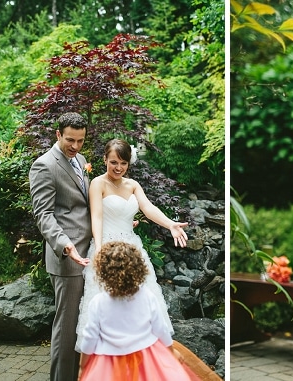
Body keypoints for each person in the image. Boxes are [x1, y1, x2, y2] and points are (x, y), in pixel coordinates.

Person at [75, 138, 189, 354]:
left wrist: (170, 224)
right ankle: (111, 353)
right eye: (114, 162)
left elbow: (148, 208)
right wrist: (100, 248)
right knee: (107, 302)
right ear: (105, 160)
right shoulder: (98, 183)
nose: (118, 168)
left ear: (129, 163)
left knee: (143, 299)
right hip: (107, 249)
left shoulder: (133, 185)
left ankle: (142, 354)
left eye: (123, 163)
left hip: (132, 250)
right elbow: (97, 217)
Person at [78, 241, 200, 380]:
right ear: (138, 269)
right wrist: (171, 352)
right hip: (147, 359)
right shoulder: (147, 296)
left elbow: (90, 338)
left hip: (110, 362)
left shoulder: (98, 302)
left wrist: (83, 366)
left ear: (103, 272)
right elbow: (161, 329)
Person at [29, 112, 91, 381]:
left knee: (82, 326)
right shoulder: (44, 165)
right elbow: (43, 215)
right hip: (68, 259)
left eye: (80, 141)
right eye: (70, 140)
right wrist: (65, 246)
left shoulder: (81, 160)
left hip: (89, 255)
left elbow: (83, 205)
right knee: (66, 332)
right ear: (57, 135)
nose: (75, 146)